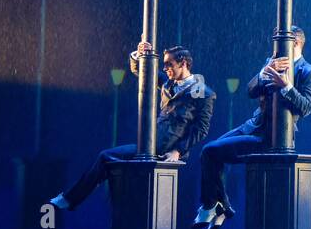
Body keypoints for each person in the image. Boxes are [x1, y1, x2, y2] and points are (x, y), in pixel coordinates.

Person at [49, 43, 214, 211]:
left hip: (168, 150)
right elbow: (142, 72)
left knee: (106, 158)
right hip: (150, 145)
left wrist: (178, 151)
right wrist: (139, 54)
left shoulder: (202, 91)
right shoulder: (167, 83)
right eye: (164, 64)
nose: (165, 69)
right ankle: (71, 199)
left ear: (184, 63)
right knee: (108, 159)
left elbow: (201, 129)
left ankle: (70, 199)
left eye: (169, 64)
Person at [193, 27, 311, 229]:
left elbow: (306, 107)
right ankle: (220, 205)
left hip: (271, 136)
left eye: (279, 45)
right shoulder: (272, 62)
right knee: (208, 154)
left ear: (295, 44)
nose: (274, 50)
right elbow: (250, 90)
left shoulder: (309, 71)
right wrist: (263, 73)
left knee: (210, 151)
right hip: (252, 124)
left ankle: (213, 206)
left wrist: (287, 86)